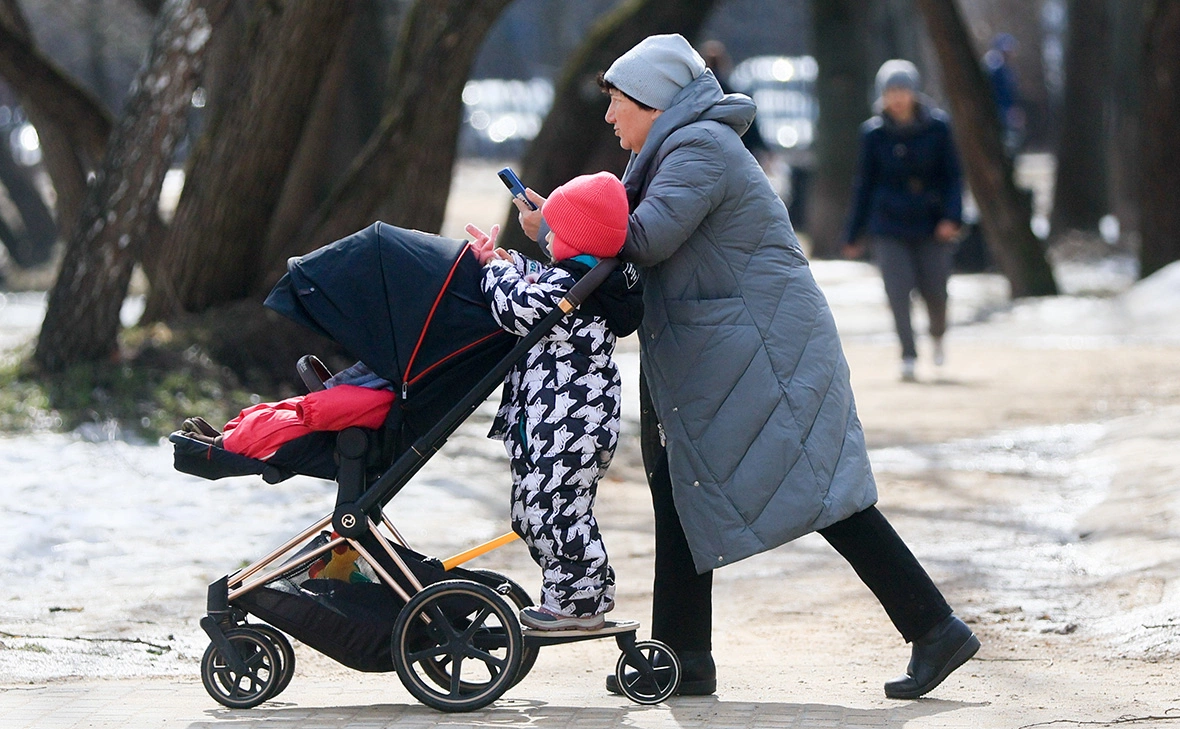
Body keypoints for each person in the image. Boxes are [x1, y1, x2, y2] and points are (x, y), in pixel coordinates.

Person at [512, 34, 978, 698]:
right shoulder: (668, 151)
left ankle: (936, 629)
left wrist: (555, 230)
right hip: (716, 351)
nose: (610, 116)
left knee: (823, 492)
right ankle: (683, 654)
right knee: (682, 487)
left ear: (652, 100)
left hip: (761, 351)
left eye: (617, 102)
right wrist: (559, 231)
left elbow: (644, 238)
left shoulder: (699, 147)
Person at [469, 171, 643, 631]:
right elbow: (542, 284)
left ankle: (577, 603)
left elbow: (518, 306)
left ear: (573, 238)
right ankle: (584, 590)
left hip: (569, 424)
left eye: (555, 229)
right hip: (556, 420)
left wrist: (492, 268)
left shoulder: (577, 289)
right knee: (534, 511)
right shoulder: (587, 279)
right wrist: (511, 264)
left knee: (555, 508)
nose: (546, 236)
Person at [843, 60, 964, 382]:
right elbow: (864, 184)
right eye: (890, 91)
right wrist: (853, 233)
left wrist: (953, 217)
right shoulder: (873, 134)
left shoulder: (938, 127)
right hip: (889, 224)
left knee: (935, 291)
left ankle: (937, 335)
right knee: (897, 290)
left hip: (931, 222)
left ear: (914, 92)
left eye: (902, 90)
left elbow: (953, 177)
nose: (897, 97)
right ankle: (908, 354)